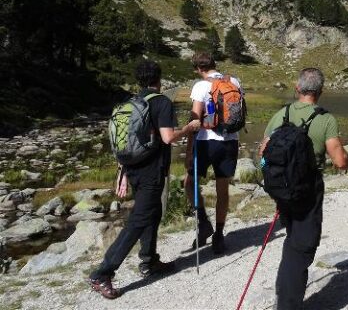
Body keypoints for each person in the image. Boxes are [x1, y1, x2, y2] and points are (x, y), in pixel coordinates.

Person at [89, 59, 201, 299]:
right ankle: (103, 273)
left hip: (133, 169)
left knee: (153, 213)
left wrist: (124, 173)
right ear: (158, 80)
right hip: (152, 170)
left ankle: (149, 261)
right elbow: (168, 137)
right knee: (139, 220)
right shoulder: (161, 102)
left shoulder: (131, 102)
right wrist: (189, 128)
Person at [259, 67, 348, 310]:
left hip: (281, 188)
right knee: (303, 246)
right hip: (308, 188)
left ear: (298, 89)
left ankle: (285, 292)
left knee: (294, 237)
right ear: (320, 92)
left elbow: (263, 151)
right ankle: (287, 304)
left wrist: (276, 176)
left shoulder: (280, 114)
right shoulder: (324, 119)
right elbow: (339, 161)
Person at [184, 51, 242, 254]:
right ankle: (218, 234)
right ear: (214, 64)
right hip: (230, 141)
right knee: (222, 190)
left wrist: (189, 149)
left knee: (189, 183)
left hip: (206, 142)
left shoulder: (200, 86)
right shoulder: (233, 81)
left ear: (199, 69)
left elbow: (194, 119)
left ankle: (203, 222)